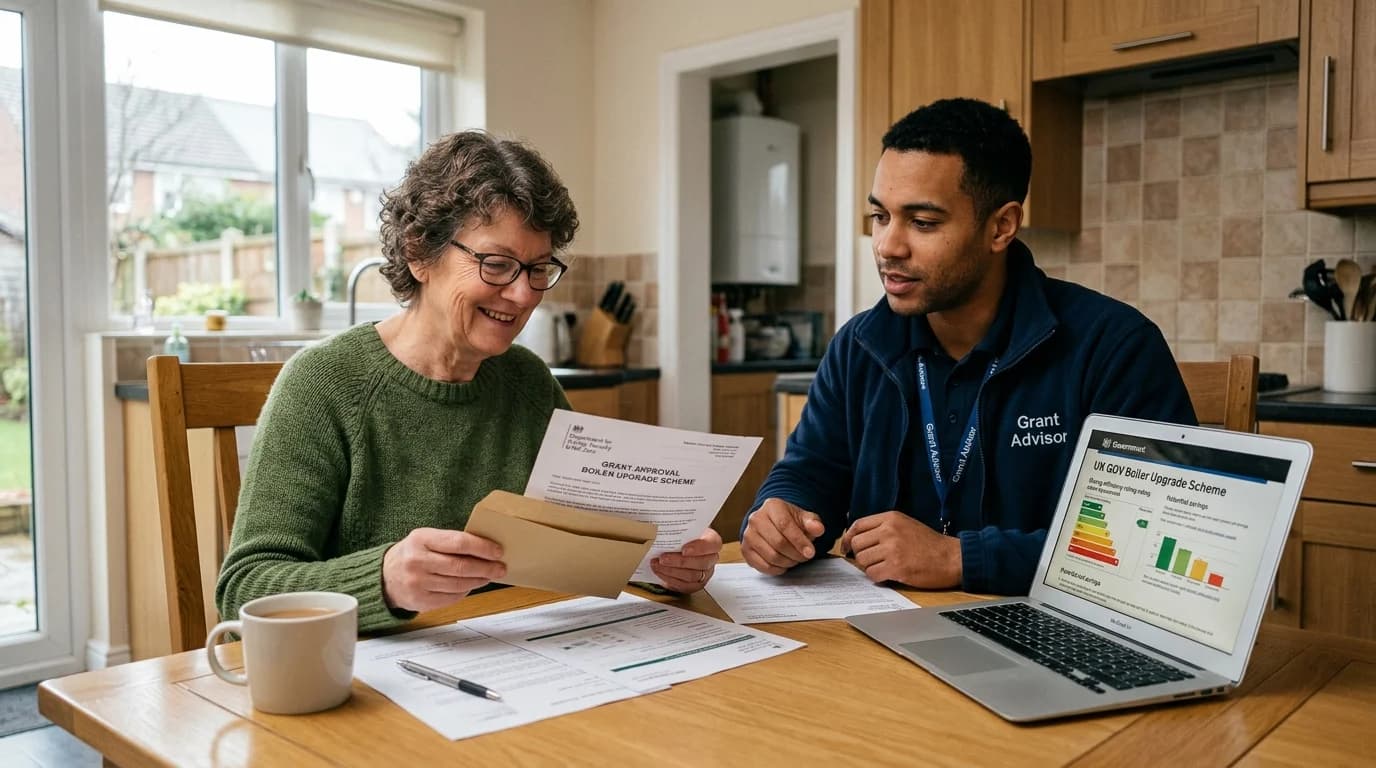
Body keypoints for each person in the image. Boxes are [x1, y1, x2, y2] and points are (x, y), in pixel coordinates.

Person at [217, 131, 721, 631]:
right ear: (419, 252)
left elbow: (583, 546)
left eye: (539, 269)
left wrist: (664, 568)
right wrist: (383, 580)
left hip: (519, 660)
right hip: (371, 679)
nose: (524, 295)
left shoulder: (529, 382)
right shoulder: (324, 384)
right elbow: (244, 586)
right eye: (497, 264)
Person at [740, 98, 1196, 595]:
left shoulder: (1114, 346)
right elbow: (810, 474)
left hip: (1052, 634)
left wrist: (961, 559)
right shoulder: (858, 346)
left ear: (1001, 226)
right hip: (883, 639)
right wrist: (779, 516)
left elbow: (1153, 543)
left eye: (923, 222)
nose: (888, 245)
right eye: (880, 216)